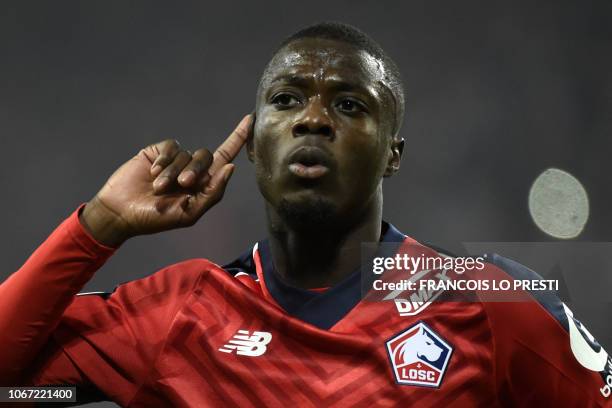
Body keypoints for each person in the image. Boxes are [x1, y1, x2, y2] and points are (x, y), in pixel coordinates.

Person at [0, 22, 610, 407]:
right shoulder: (173, 315)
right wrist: (101, 223)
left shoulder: (491, 304)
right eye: (287, 100)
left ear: (392, 154)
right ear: (259, 138)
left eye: (348, 104)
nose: (312, 118)